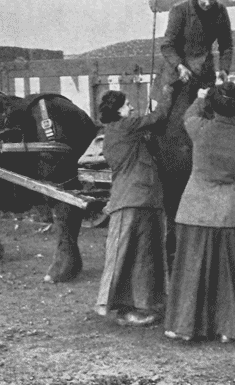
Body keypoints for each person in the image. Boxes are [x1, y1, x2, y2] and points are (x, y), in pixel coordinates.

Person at [164, 82, 235, 343]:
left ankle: (185, 327)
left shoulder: (200, 129)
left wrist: (201, 97)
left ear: (213, 106)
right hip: (231, 211)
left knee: (192, 270)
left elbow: (188, 115)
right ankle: (229, 328)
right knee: (230, 274)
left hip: (195, 209)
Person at [156, 0, 234, 272]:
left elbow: (226, 45)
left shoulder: (220, 12)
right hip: (177, 76)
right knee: (167, 120)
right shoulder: (179, 11)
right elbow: (167, 45)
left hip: (205, 73)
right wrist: (178, 66)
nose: (208, 3)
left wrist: (224, 69)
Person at [94, 85, 173, 327]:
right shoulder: (124, 126)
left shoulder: (119, 131)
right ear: (118, 110)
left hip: (138, 199)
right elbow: (158, 117)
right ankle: (111, 304)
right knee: (126, 253)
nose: (131, 107)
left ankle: (137, 306)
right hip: (132, 199)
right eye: (127, 104)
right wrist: (167, 92)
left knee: (139, 254)